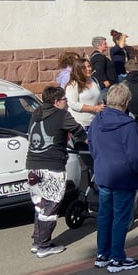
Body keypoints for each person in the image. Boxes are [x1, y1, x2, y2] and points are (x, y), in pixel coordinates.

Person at [87, 83, 138, 273]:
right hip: (123, 176)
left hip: (103, 172)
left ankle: (103, 254)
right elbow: (135, 156)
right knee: (121, 217)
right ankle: (117, 258)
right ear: (125, 102)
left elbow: (91, 144)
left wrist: (100, 161)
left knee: (105, 214)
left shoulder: (97, 120)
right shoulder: (127, 124)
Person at [25, 86, 86, 258]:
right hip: (52, 167)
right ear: (57, 101)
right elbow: (79, 132)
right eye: (64, 99)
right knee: (51, 206)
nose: (66, 102)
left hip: (33, 166)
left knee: (39, 205)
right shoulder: (62, 115)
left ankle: (37, 241)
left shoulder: (35, 113)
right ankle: (44, 246)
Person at [65, 58, 104, 128]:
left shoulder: (94, 81)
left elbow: (99, 98)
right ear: (78, 70)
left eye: (89, 66)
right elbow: (72, 104)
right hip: (80, 124)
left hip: (95, 121)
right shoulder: (73, 85)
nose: (88, 69)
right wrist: (93, 108)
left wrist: (101, 105)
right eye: (84, 68)